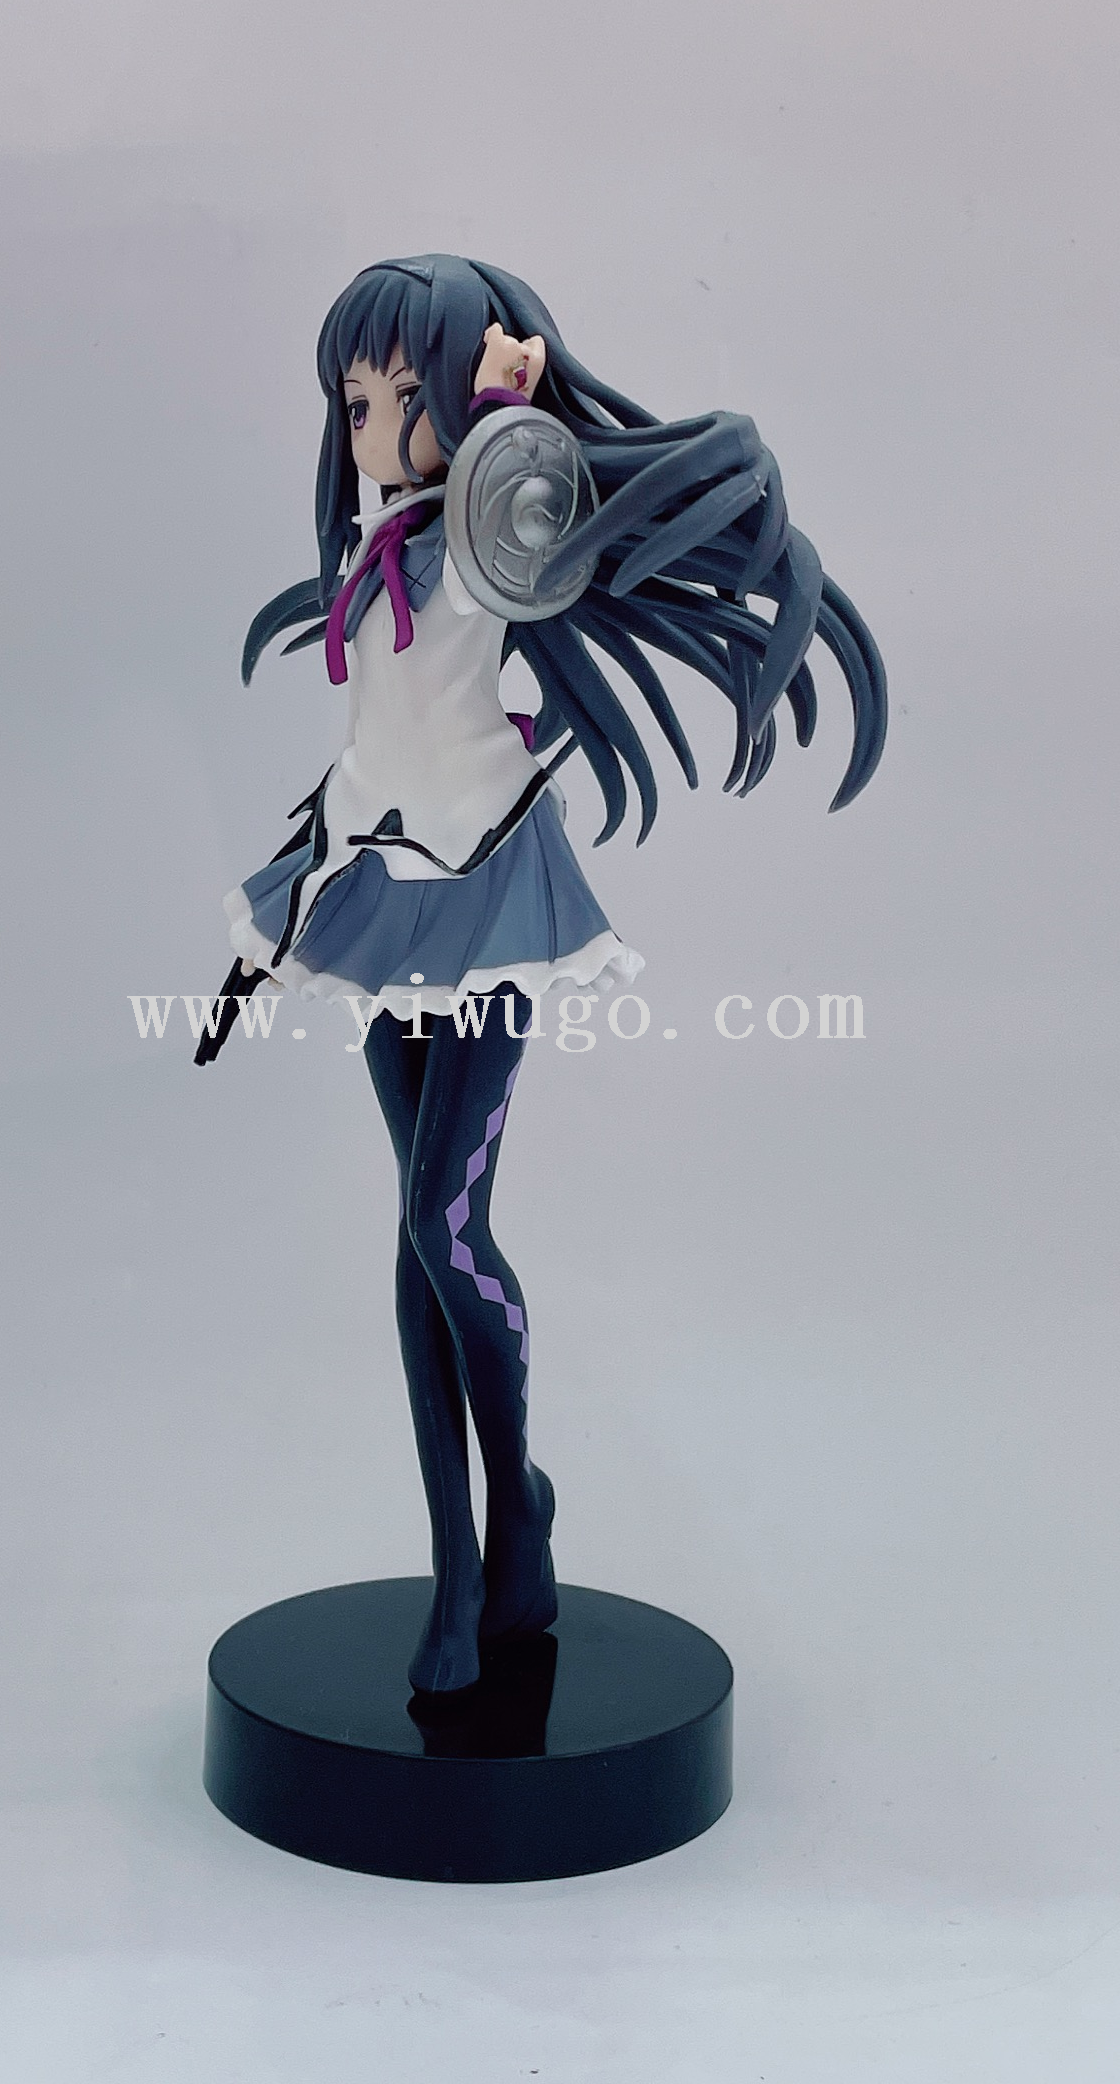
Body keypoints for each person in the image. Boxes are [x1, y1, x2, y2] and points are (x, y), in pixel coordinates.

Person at [217, 255, 886, 1692]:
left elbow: (544, 518)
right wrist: (281, 911)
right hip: (379, 883)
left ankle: (516, 1496)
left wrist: (515, 417)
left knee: (445, 1226)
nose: (376, 427)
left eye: (407, 396)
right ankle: (459, 1566)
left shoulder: (486, 532)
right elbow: (371, 747)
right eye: (357, 401)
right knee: (415, 1238)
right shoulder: (368, 554)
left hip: (490, 894)